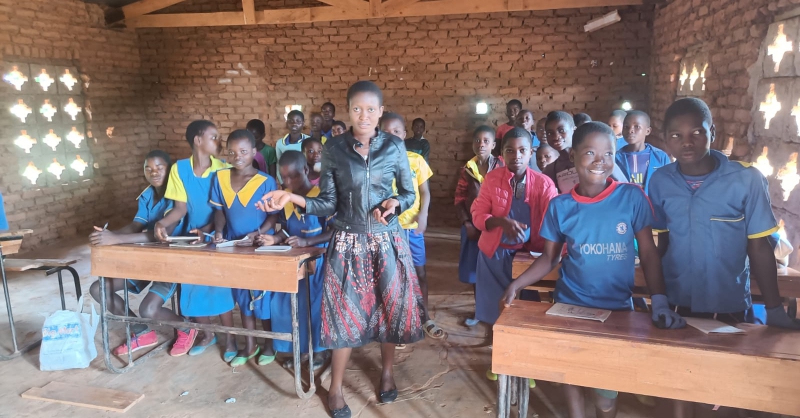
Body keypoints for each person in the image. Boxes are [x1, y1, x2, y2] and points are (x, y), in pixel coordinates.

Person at [257, 81, 423, 418]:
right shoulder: (333, 148)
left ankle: (387, 373)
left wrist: (395, 201)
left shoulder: (394, 147)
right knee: (343, 315)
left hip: (387, 241)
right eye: (357, 109)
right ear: (349, 111)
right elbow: (327, 202)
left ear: (380, 110)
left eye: (371, 109)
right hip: (347, 242)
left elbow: (408, 192)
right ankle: (335, 389)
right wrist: (292, 197)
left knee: (388, 310)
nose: (364, 115)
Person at [502, 122, 684, 418]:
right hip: (570, 305)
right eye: (590, 152)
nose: (600, 161)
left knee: (606, 395)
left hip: (616, 310)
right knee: (570, 375)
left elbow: (649, 255)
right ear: (573, 156)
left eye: (608, 153)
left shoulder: (632, 197)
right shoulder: (560, 206)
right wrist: (516, 285)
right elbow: (550, 258)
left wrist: (659, 300)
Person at [649, 97, 800, 418]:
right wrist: (658, 298)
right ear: (665, 140)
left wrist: (773, 309)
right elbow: (661, 240)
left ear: (712, 133)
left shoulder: (746, 179)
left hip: (729, 306)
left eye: (697, 133)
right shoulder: (660, 180)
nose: (686, 142)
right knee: (677, 386)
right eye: (676, 136)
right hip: (679, 305)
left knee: (721, 395)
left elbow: (759, 246)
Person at [88, 150, 185, 355]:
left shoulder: (177, 196)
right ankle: (140, 331)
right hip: (143, 259)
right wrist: (108, 235)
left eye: (160, 167)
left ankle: (187, 328)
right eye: (148, 168)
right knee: (99, 289)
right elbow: (135, 225)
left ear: (170, 169)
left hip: (170, 261)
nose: (154, 172)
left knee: (148, 310)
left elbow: (161, 234)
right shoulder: (147, 194)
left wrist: (117, 239)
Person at [154, 120, 234, 357]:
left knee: (220, 287)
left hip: (218, 233)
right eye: (214, 137)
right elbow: (179, 209)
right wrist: (162, 223)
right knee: (193, 286)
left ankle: (230, 339)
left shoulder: (222, 168)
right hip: (191, 236)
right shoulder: (179, 169)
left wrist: (208, 230)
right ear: (198, 141)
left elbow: (224, 208)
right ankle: (208, 334)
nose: (218, 141)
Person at [471, 128, 557, 329]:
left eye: (522, 150)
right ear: (501, 153)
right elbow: (478, 215)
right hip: (494, 254)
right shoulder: (492, 180)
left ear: (531, 152)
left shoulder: (544, 185)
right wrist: (502, 222)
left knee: (524, 310)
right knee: (494, 309)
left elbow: (553, 223)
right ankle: (494, 346)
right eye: (510, 150)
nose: (516, 156)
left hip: (528, 255)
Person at [210, 129, 280, 366]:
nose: (237, 156)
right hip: (234, 245)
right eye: (232, 152)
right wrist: (219, 231)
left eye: (243, 151)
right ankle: (250, 345)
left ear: (254, 152)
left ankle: (269, 344)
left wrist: (259, 233)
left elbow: (273, 217)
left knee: (263, 296)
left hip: (260, 246)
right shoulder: (219, 178)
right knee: (242, 295)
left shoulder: (265, 181)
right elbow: (219, 210)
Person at [258, 150, 333, 370]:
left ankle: (319, 352)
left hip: (319, 262)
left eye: (294, 176)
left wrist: (306, 240)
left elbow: (335, 230)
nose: (289, 182)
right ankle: (302, 350)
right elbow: (288, 231)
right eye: (285, 178)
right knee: (294, 307)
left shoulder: (322, 195)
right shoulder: (285, 198)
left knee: (317, 308)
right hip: (296, 262)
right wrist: (274, 238)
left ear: (306, 170)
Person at [381, 113, 439, 339]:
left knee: (419, 272)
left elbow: (425, 192)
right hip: (388, 229)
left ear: (404, 135)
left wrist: (423, 215)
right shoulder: (376, 163)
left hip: (412, 226)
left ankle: (423, 314)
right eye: (386, 132)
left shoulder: (416, 160)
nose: (391, 135)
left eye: (396, 131)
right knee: (393, 276)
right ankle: (397, 319)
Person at [454, 125, 504, 327]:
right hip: (474, 228)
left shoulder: (502, 167)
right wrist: (467, 223)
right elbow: (459, 199)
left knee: (497, 270)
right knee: (476, 270)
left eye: (486, 141)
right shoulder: (467, 170)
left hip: (497, 228)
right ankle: (480, 311)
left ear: (493, 144)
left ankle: (500, 311)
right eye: (477, 140)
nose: (481, 144)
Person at [544, 111, 626, 193]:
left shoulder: (595, 158)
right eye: (550, 133)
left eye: (562, 130)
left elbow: (623, 186)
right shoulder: (552, 169)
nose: (556, 136)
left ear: (574, 130)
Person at [615, 110, 669, 194]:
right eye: (626, 127)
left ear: (647, 131)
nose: (630, 130)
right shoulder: (616, 158)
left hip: (653, 205)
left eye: (636, 126)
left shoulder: (660, 157)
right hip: (626, 205)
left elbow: (668, 185)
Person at [275, 110, 310, 183]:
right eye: (291, 121)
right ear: (287, 123)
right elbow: (278, 165)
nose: (294, 124)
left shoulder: (309, 141)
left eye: (298, 121)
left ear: (303, 123)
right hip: (288, 182)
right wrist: (282, 182)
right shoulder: (280, 143)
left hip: (306, 181)